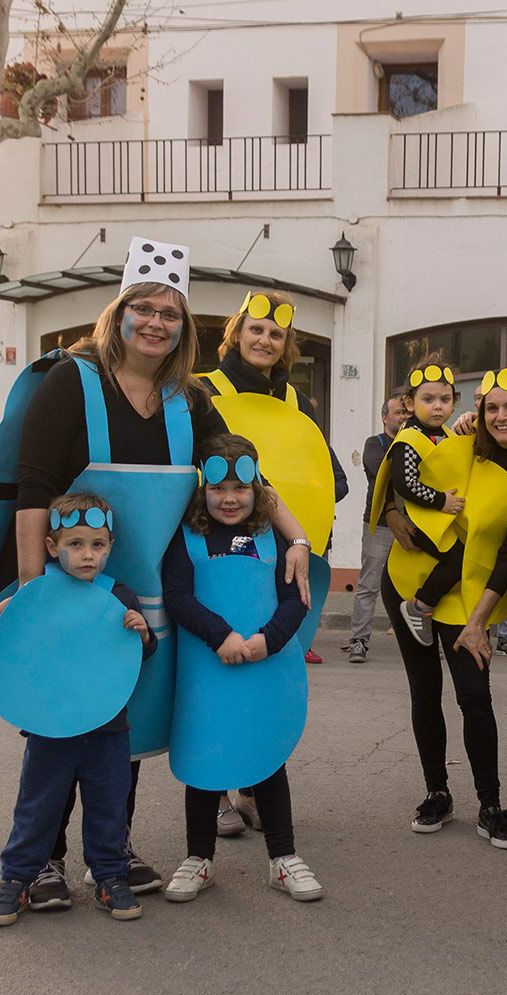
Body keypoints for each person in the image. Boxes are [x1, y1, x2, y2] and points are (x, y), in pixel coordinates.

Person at [13, 239, 316, 907]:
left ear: (184, 328)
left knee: (123, 729)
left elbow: (245, 474)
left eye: (170, 314)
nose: (155, 323)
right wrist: (34, 595)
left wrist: (296, 541)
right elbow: (31, 489)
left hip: (144, 599)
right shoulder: (73, 380)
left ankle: (108, 852)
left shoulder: (188, 399)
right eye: (143, 309)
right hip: (73, 590)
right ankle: (41, 862)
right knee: (64, 722)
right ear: (118, 313)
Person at [384, 364, 507, 848]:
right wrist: (391, 512)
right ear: (479, 410)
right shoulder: (455, 442)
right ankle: (436, 791)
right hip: (407, 579)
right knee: (424, 691)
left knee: (474, 697)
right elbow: (398, 474)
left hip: (470, 595)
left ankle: (490, 803)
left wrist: (479, 622)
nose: (501, 417)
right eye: (492, 407)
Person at [159, 434, 325, 903]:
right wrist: (220, 636)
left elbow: (295, 600)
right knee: (203, 760)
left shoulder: (274, 538)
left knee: (267, 757)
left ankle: (283, 858)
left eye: (240, 488)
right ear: (201, 490)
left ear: (259, 491)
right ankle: (199, 858)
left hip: (264, 666)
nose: (229, 499)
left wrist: (265, 642)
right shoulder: (186, 534)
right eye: (218, 489)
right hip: (207, 669)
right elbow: (177, 596)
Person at [200, 290, 344, 828]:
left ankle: (255, 779)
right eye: (255, 329)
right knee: (213, 669)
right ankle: (214, 791)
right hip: (213, 552)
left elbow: (331, 476)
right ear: (236, 332)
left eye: (275, 333)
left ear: (286, 345)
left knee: (266, 669)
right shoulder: (203, 391)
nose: (264, 340)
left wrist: (303, 523)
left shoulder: (296, 404)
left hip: (276, 556)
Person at [0, 494, 158, 926]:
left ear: (110, 547)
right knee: (37, 806)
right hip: (51, 727)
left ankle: (110, 877)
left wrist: (142, 633)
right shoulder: (38, 592)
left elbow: (137, 656)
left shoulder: (119, 594)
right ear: (51, 547)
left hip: (108, 728)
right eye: (75, 544)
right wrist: (2, 614)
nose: (87, 555)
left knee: (109, 807)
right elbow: (10, 643)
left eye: (97, 545)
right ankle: (17, 879)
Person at [381, 359, 466, 647]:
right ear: (409, 402)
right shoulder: (409, 438)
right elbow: (405, 484)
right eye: (428, 399)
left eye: (444, 399)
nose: (437, 406)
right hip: (420, 520)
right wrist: (442, 501)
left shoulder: (449, 435)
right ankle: (420, 605)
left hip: (439, 519)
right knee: (458, 559)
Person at [346, 393, 410, 663]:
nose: (403, 417)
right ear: (385, 417)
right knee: (369, 585)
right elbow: (385, 470)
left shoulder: (419, 442)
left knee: (416, 585)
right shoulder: (375, 444)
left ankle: (422, 642)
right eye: (398, 413)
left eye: (407, 413)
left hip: (413, 525)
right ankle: (359, 641)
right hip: (380, 525)